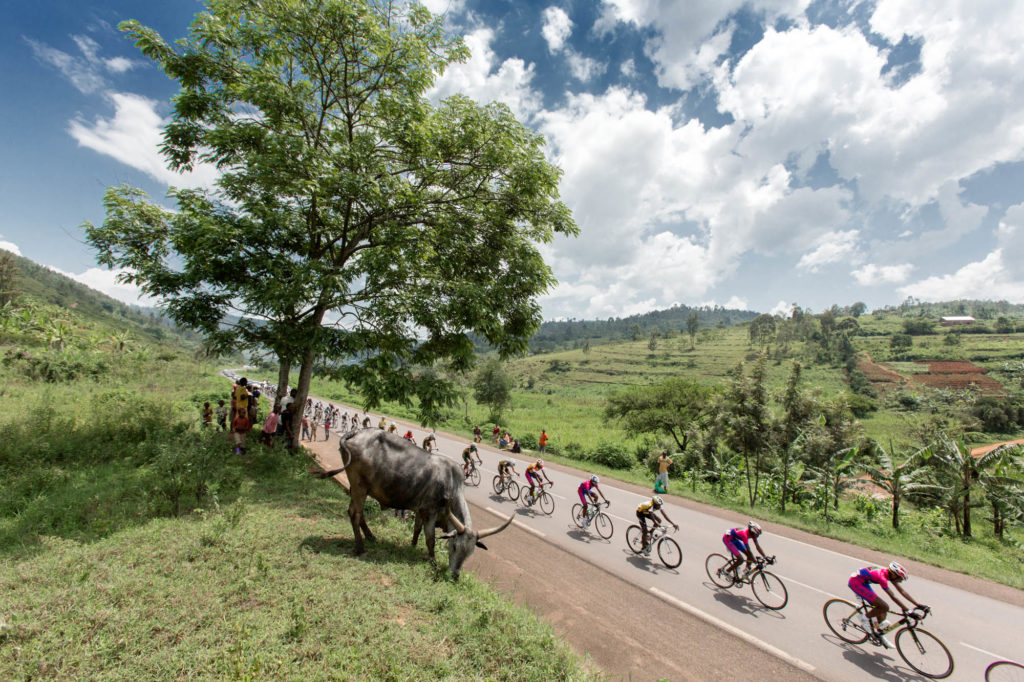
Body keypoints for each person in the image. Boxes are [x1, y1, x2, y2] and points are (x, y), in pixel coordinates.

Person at [848, 562, 927, 648]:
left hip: (863, 583)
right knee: (884, 606)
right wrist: (908, 610)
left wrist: (918, 605)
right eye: (900, 579)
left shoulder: (889, 574)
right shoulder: (881, 577)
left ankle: (879, 635)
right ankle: (864, 619)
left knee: (883, 611)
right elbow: (893, 596)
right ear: (894, 575)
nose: (901, 581)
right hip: (856, 583)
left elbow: (902, 591)